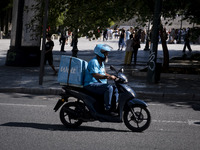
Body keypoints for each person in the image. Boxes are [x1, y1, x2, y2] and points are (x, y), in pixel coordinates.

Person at [84, 44, 119, 115]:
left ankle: (113, 108)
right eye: (105, 53)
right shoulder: (94, 62)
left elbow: (104, 73)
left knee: (115, 89)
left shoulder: (101, 63)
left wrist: (113, 76)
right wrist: (108, 77)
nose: (107, 54)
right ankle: (107, 109)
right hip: (90, 84)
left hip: (98, 84)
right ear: (100, 52)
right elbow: (95, 75)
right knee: (108, 88)